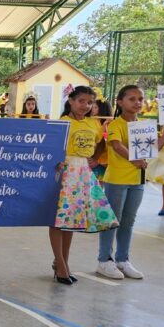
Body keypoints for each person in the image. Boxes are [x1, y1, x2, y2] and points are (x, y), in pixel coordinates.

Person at [97, 85, 164, 279]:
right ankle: (104, 260)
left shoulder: (142, 126)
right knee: (112, 220)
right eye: (132, 99)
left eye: (140, 99)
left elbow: (150, 150)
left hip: (138, 179)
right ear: (120, 102)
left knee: (128, 221)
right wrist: (133, 159)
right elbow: (116, 146)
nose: (137, 102)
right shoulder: (116, 124)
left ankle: (122, 260)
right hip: (117, 179)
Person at [50, 86, 118, 285]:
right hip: (64, 173)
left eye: (89, 103)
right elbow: (51, 146)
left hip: (83, 174)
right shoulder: (62, 123)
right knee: (57, 220)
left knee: (71, 220)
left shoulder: (93, 124)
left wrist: (96, 158)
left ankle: (62, 262)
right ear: (71, 100)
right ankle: (61, 265)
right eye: (81, 101)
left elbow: (101, 144)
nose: (85, 106)